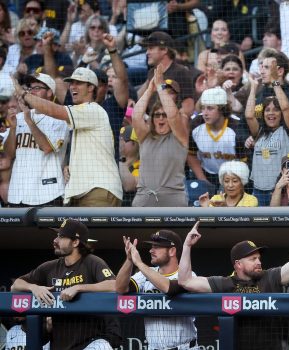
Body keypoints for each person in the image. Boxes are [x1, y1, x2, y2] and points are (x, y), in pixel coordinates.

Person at [179, 218, 289, 350]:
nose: (259, 262)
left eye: (259, 258)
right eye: (253, 259)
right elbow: (186, 281)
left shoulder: (270, 277)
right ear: (238, 264)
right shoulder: (225, 284)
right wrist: (187, 246)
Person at [12, 67, 123, 206]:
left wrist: (23, 93)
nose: (72, 87)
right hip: (84, 191)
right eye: (71, 83)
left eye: (78, 83)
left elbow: (53, 110)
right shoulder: (82, 114)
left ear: (90, 88)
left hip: (98, 189)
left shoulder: (92, 109)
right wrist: (68, 166)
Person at [10, 219, 121, 349]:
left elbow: (115, 285)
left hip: (91, 341)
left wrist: (79, 287)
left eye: (61, 237)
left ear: (75, 242)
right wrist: (33, 287)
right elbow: (15, 285)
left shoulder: (92, 262)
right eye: (57, 236)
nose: (55, 240)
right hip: (60, 341)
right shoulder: (50, 267)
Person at [115, 228, 198, 350]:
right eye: (152, 246)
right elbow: (121, 288)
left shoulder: (187, 276)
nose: (151, 250)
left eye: (157, 247)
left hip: (184, 347)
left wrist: (139, 263)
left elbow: (168, 288)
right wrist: (129, 260)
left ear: (172, 251)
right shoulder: (145, 274)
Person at [4, 73, 68, 207]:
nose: (32, 92)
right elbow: (9, 155)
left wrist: (29, 121)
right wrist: (14, 128)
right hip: (18, 193)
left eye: (37, 88)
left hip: (48, 193)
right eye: (30, 88)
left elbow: (47, 148)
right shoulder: (19, 117)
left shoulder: (60, 119)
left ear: (50, 92)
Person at [131, 65, 189, 207]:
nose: (161, 118)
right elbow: (136, 116)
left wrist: (161, 87)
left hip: (173, 199)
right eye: (157, 115)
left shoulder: (180, 137)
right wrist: (150, 89)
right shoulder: (145, 136)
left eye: (164, 115)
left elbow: (174, 115)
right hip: (144, 198)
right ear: (152, 118)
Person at [245, 61, 289, 206]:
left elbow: (286, 107)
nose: (271, 113)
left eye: (275, 109)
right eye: (267, 110)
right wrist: (254, 88)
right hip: (257, 191)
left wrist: (275, 82)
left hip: (281, 191)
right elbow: (249, 116)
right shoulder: (260, 132)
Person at [188, 88, 241, 187]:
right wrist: (203, 180)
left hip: (234, 177)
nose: (205, 113)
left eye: (210, 108)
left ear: (222, 109)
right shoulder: (196, 124)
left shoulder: (237, 127)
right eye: (203, 108)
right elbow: (191, 154)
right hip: (206, 174)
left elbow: (244, 162)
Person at [138, 31, 194, 117]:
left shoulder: (181, 72)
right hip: (152, 124)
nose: (147, 52)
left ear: (164, 49)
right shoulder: (151, 73)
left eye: (151, 48)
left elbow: (188, 108)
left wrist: (171, 121)